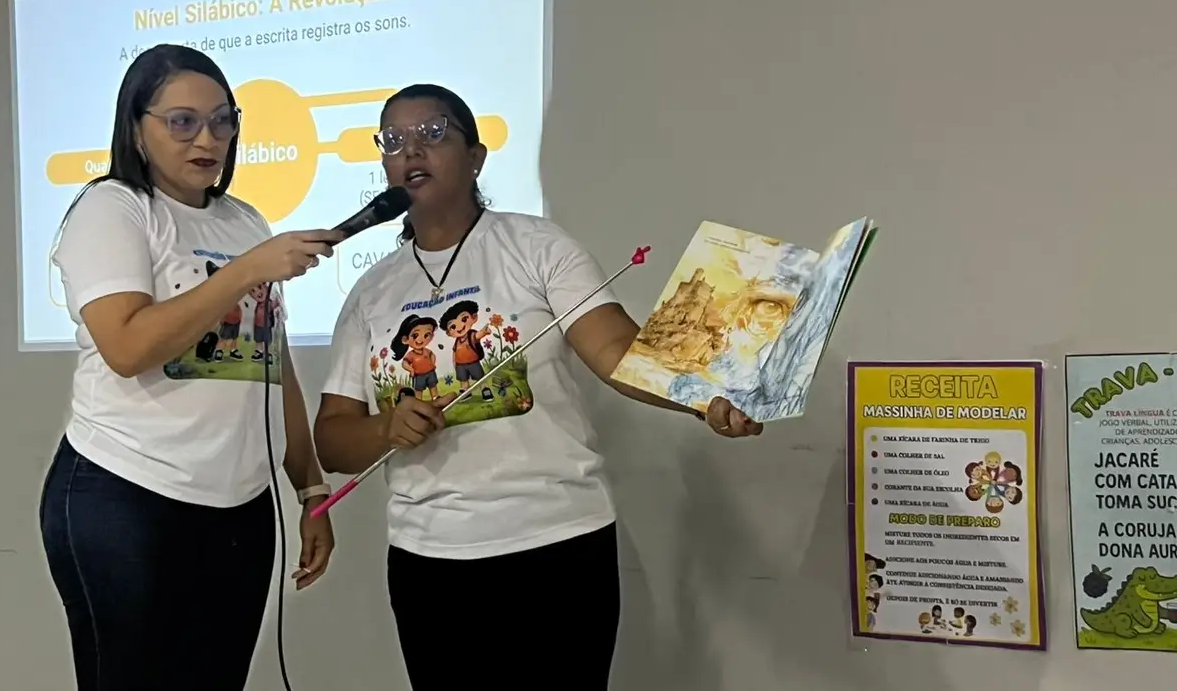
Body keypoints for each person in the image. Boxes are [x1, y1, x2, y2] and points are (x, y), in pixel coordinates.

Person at [312, 83, 763, 689]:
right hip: (430, 561)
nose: (411, 150)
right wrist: (385, 428)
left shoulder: (537, 246)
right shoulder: (371, 292)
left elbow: (617, 351)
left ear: (476, 157)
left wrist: (705, 398)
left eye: (433, 133)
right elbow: (334, 441)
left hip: (558, 545)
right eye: (393, 140)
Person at [38, 44, 343, 691]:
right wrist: (245, 272)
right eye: (182, 122)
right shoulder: (113, 208)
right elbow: (127, 347)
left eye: (222, 121)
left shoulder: (244, 221)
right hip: (127, 494)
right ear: (136, 130)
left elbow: (274, 367)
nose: (208, 139)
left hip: (239, 506)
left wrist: (311, 488)